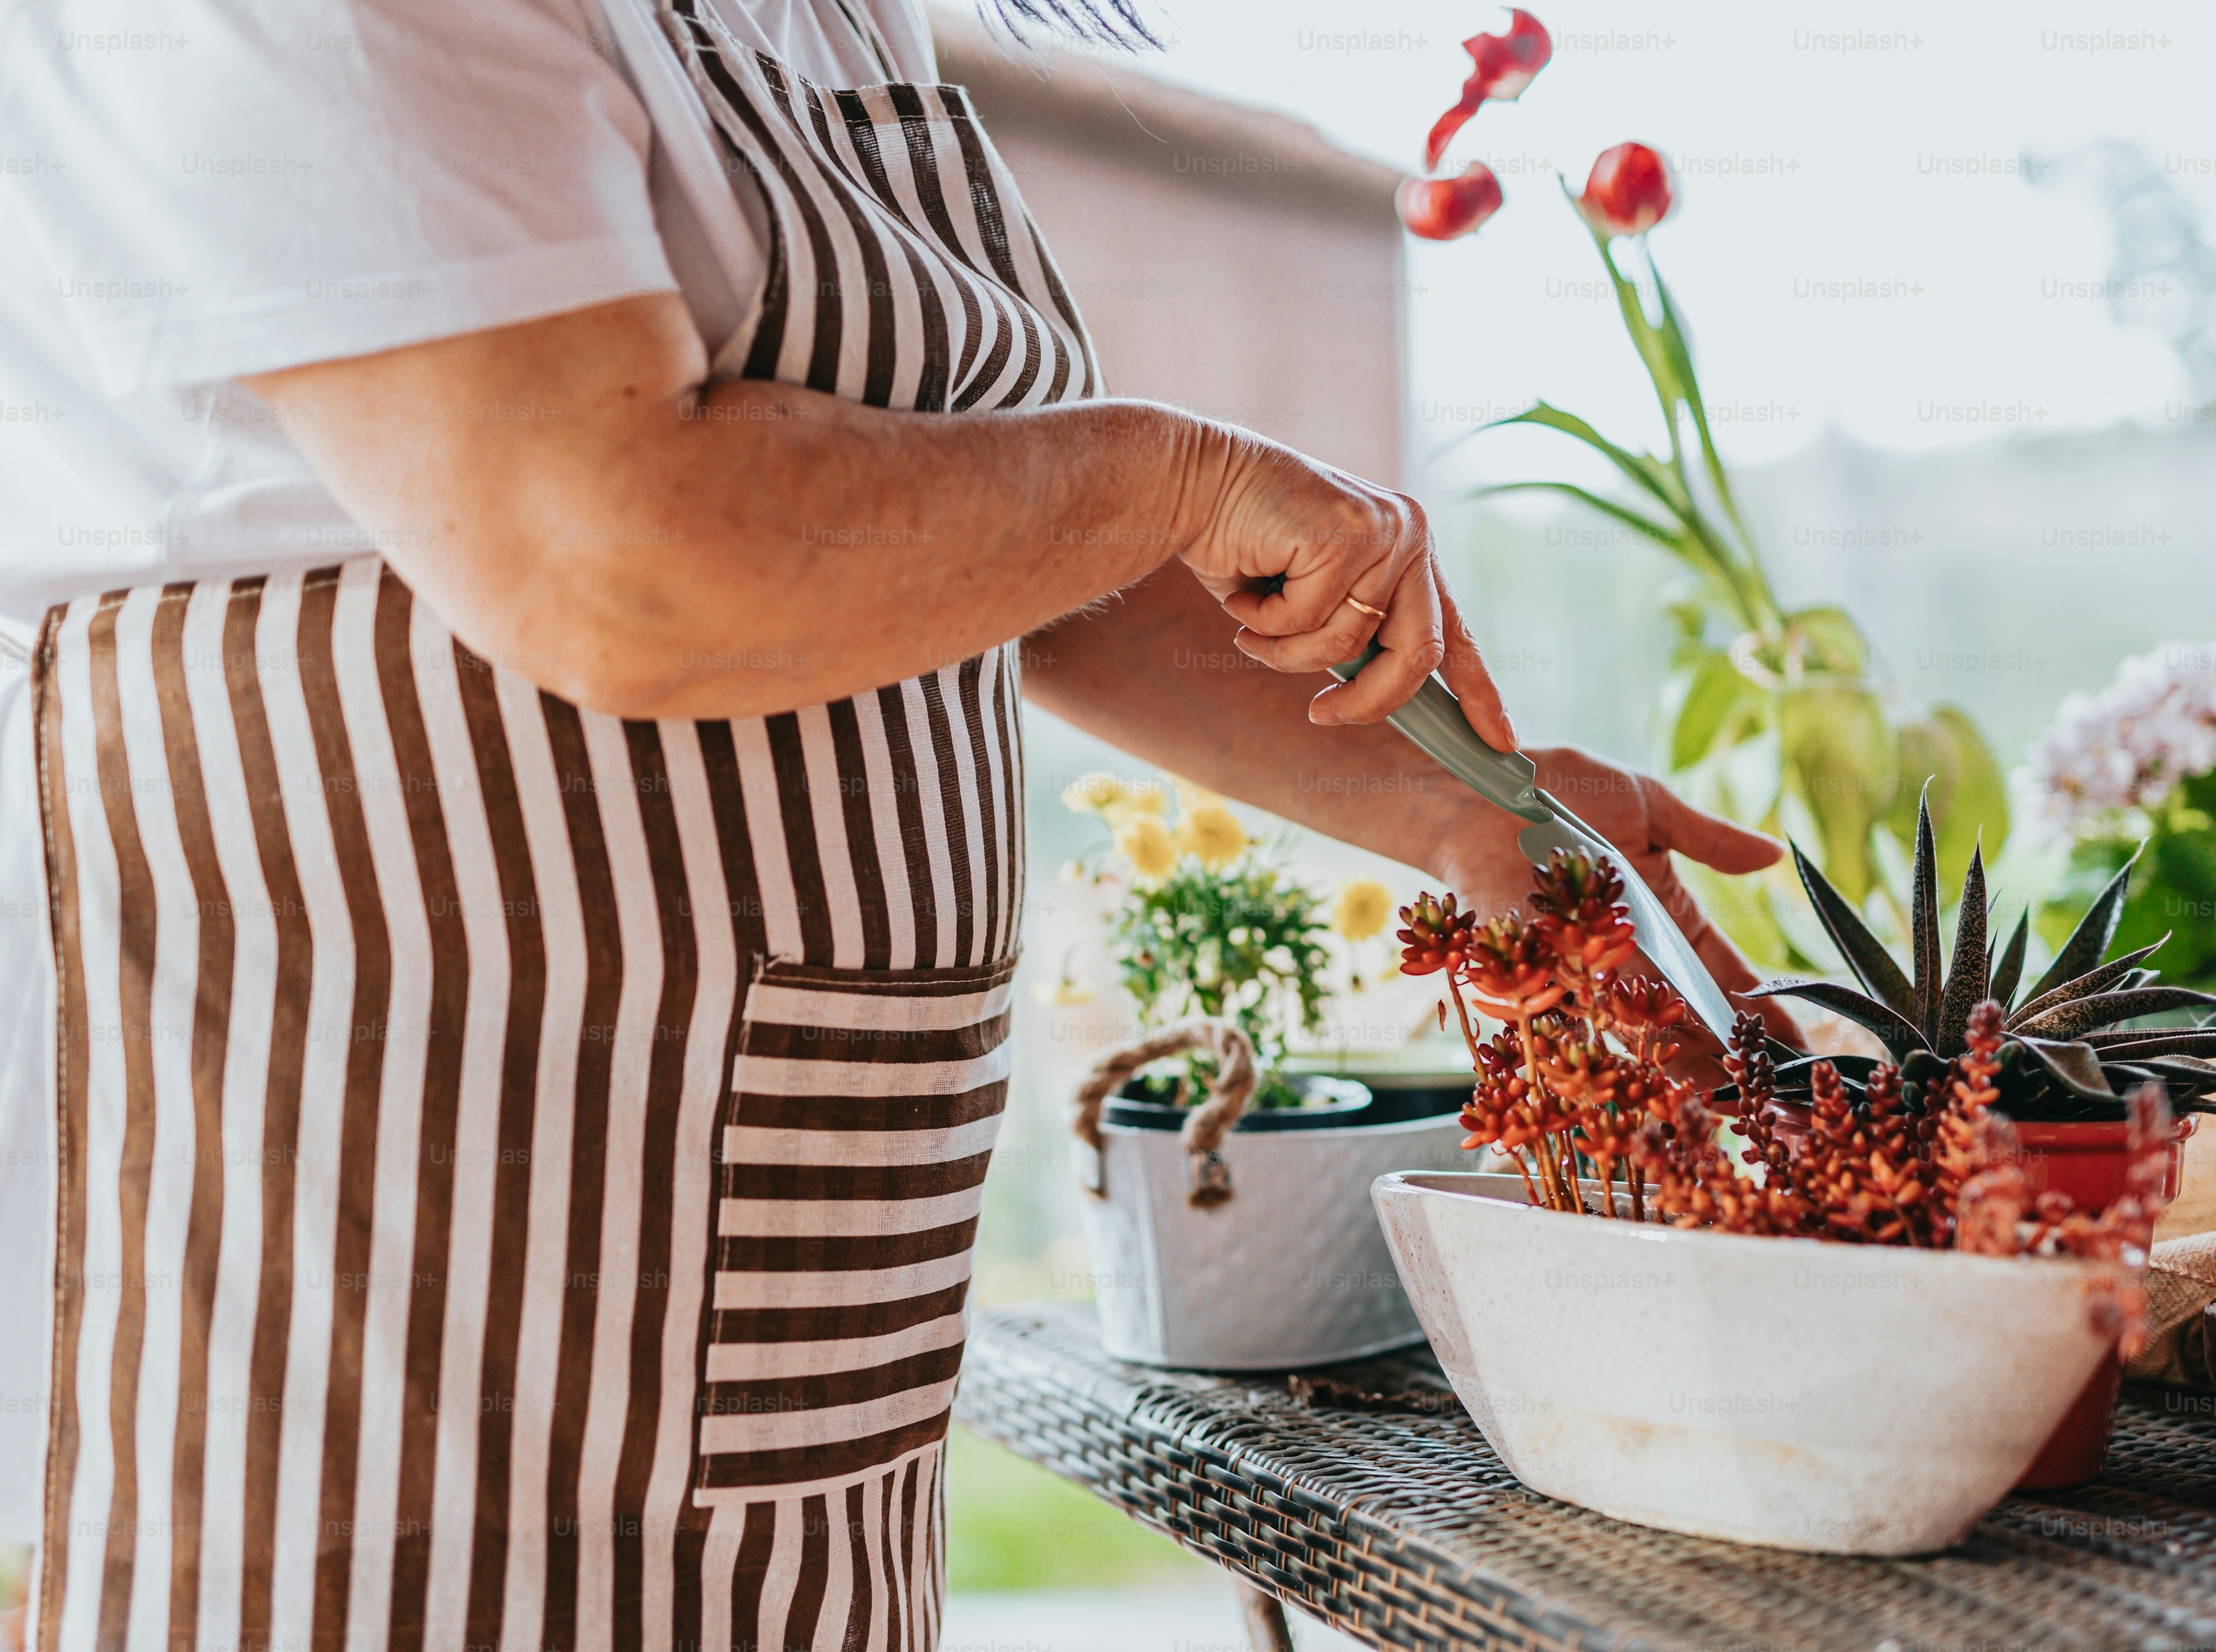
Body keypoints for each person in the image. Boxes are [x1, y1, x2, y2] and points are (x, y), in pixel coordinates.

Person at [0, 1, 1787, 1646]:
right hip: (381, 1258)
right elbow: (622, 552)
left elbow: (988, 542)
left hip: (768, 1313)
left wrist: (1478, 815)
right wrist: (1173, 472)